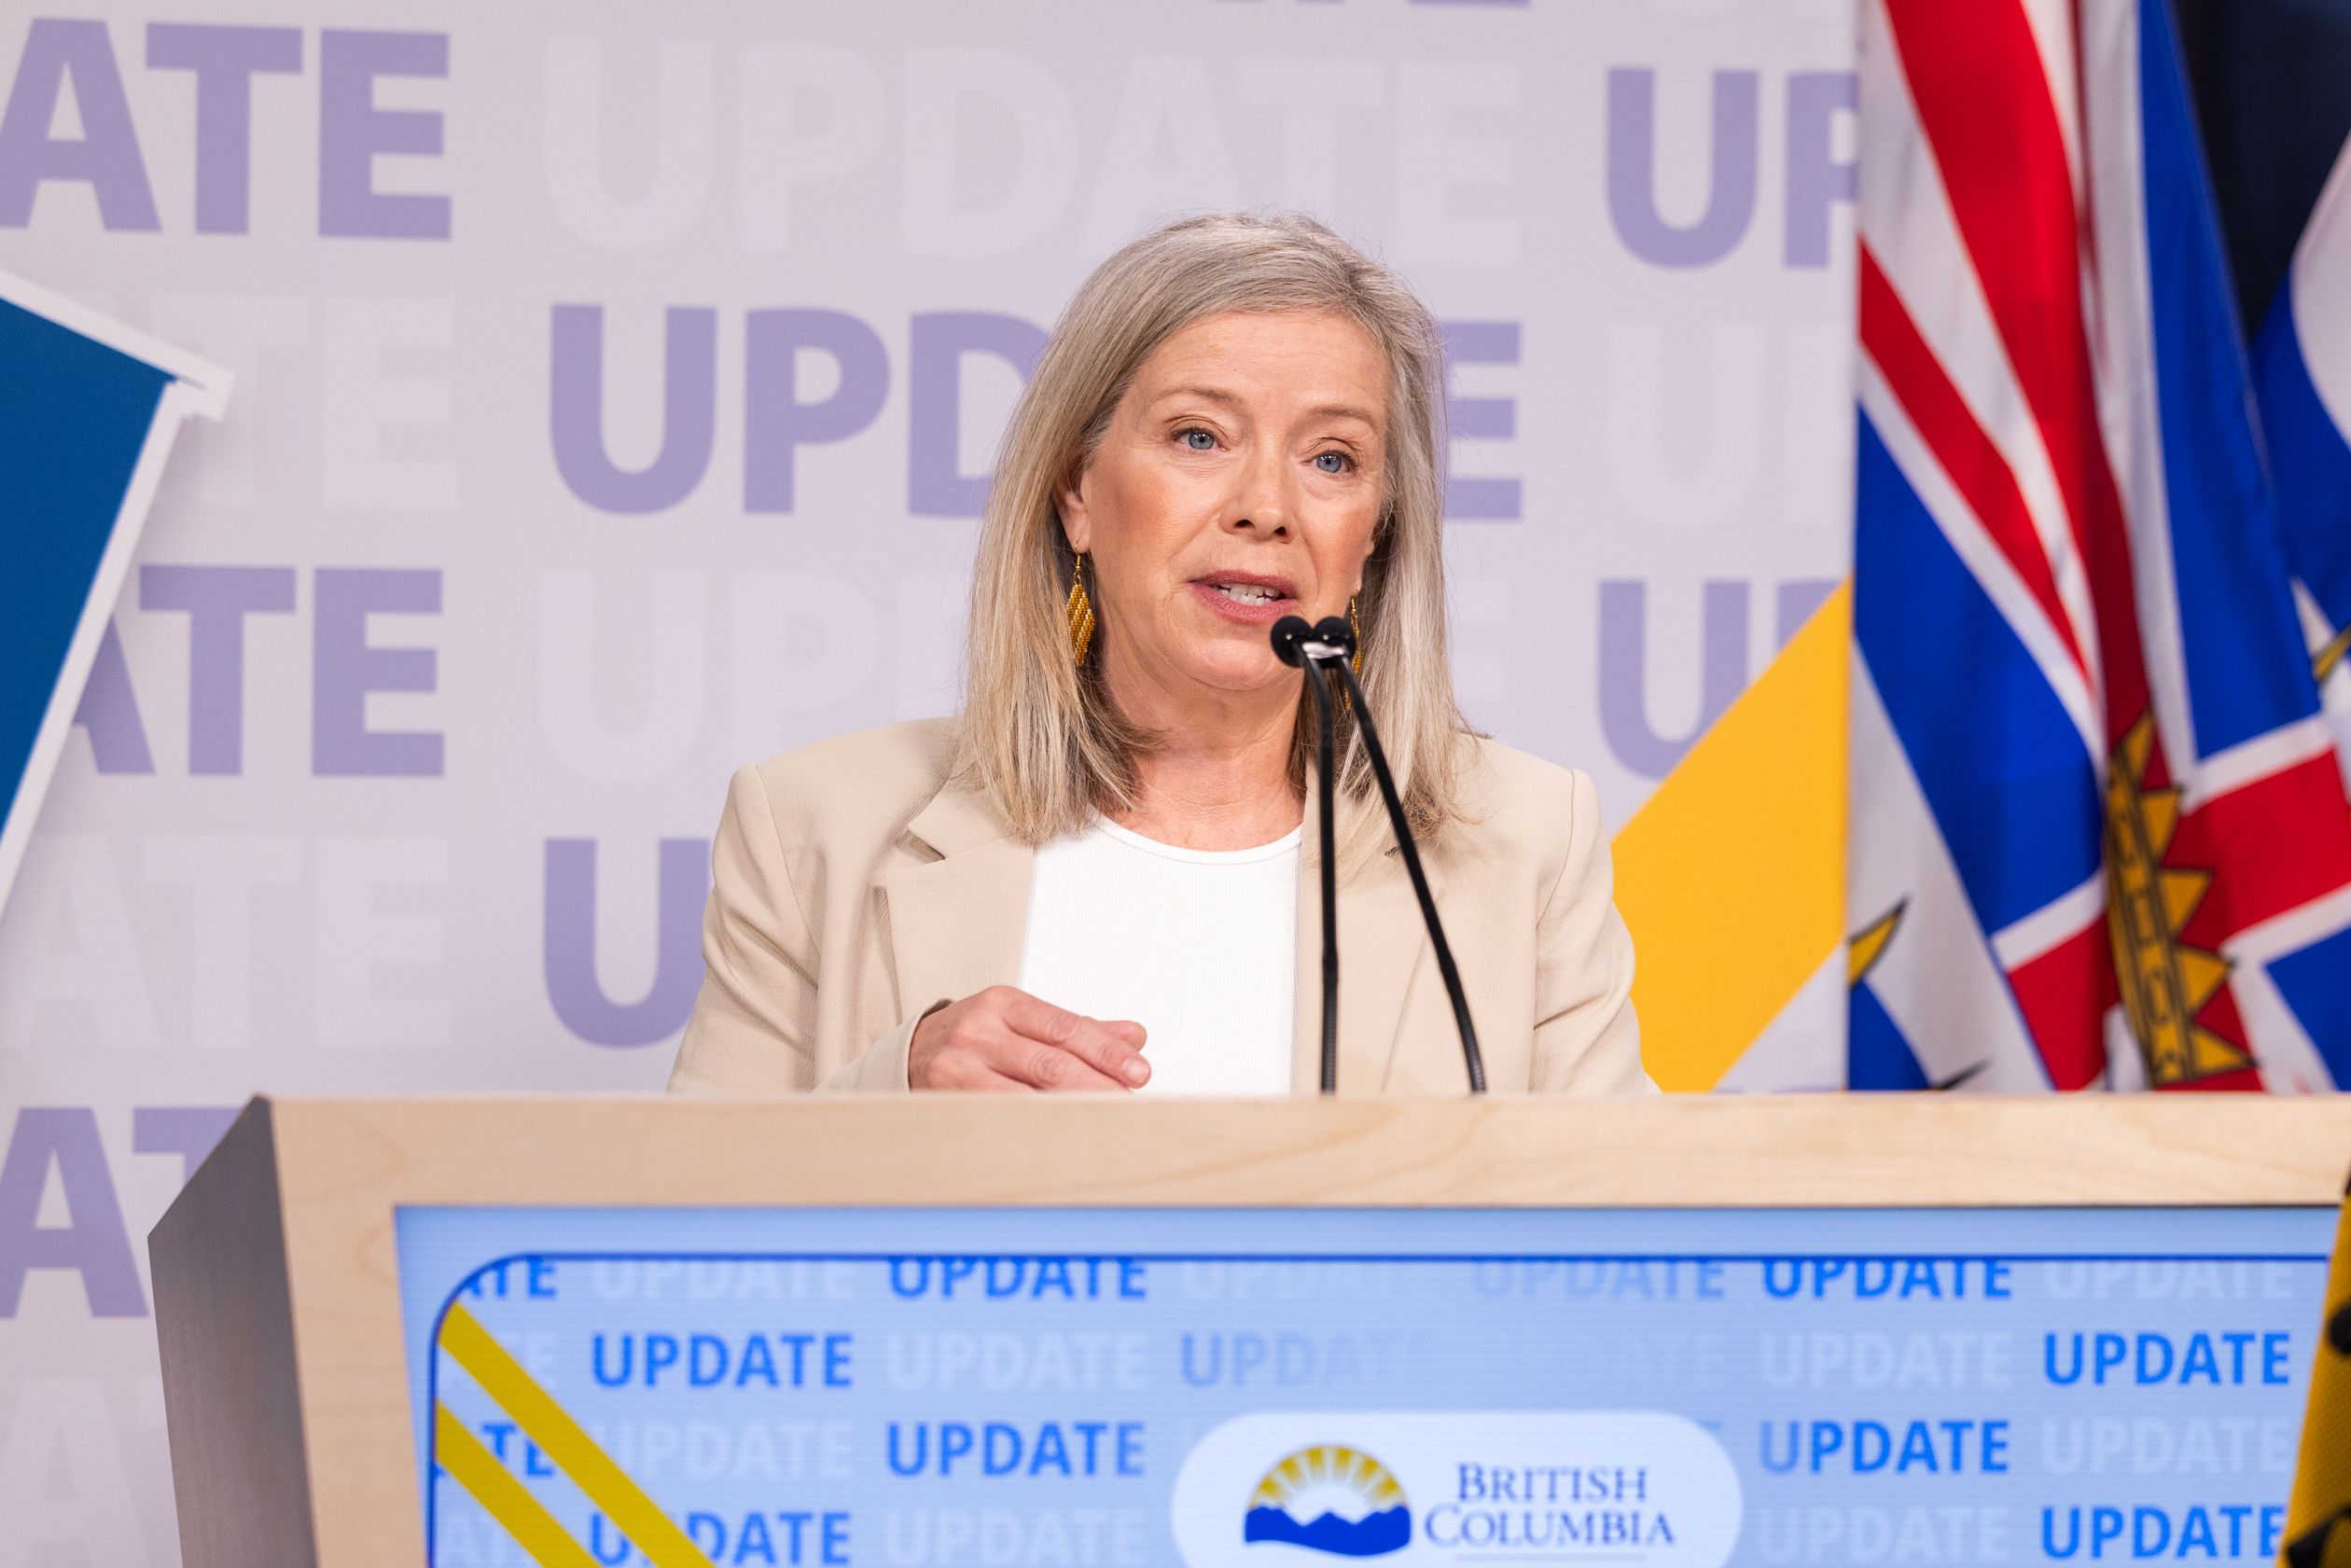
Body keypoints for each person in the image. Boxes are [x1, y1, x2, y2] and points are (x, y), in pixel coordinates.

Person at [670, 213, 1651, 1097]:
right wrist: (893, 1096)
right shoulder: (815, 828)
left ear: (1374, 538)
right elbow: (671, 1253)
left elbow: (1626, 1249)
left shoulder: (1528, 843)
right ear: (1077, 492)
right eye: (1198, 435)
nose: (1266, 506)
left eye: (1332, 458)